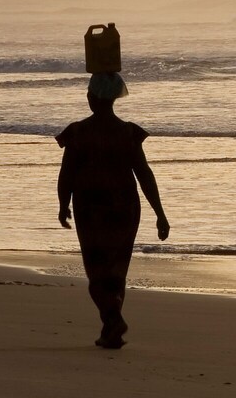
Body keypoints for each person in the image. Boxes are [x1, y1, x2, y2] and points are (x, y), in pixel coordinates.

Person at [57, 72, 170, 349]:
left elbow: (66, 174)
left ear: (92, 99)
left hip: (91, 209)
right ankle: (112, 329)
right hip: (125, 209)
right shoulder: (127, 132)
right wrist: (160, 213)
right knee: (116, 270)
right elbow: (144, 174)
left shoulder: (78, 132)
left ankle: (113, 321)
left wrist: (63, 205)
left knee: (97, 272)